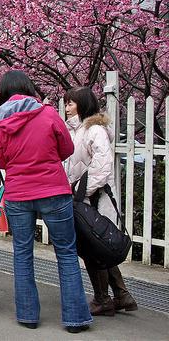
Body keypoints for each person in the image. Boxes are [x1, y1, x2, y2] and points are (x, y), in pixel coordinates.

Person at [0, 70, 92, 333]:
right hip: (53, 190)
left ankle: (27, 315)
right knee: (66, 253)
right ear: (28, 88)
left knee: (22, 253)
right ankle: (76, 319)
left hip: (19, 194)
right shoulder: (47, 113)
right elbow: (67, 149)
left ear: (3, 92)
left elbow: (0, 161)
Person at [64, 87, 138, 316]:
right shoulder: (75, 131)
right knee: (98, 244)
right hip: (84, 197)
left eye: (71, 103)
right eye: (66, 103)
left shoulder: (95, 130)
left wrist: (79, 191)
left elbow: (102, 166)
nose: (66, 108)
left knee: (94, 246)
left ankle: (103, 299)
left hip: (95, 198)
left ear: (83, 104)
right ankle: (121, 294)